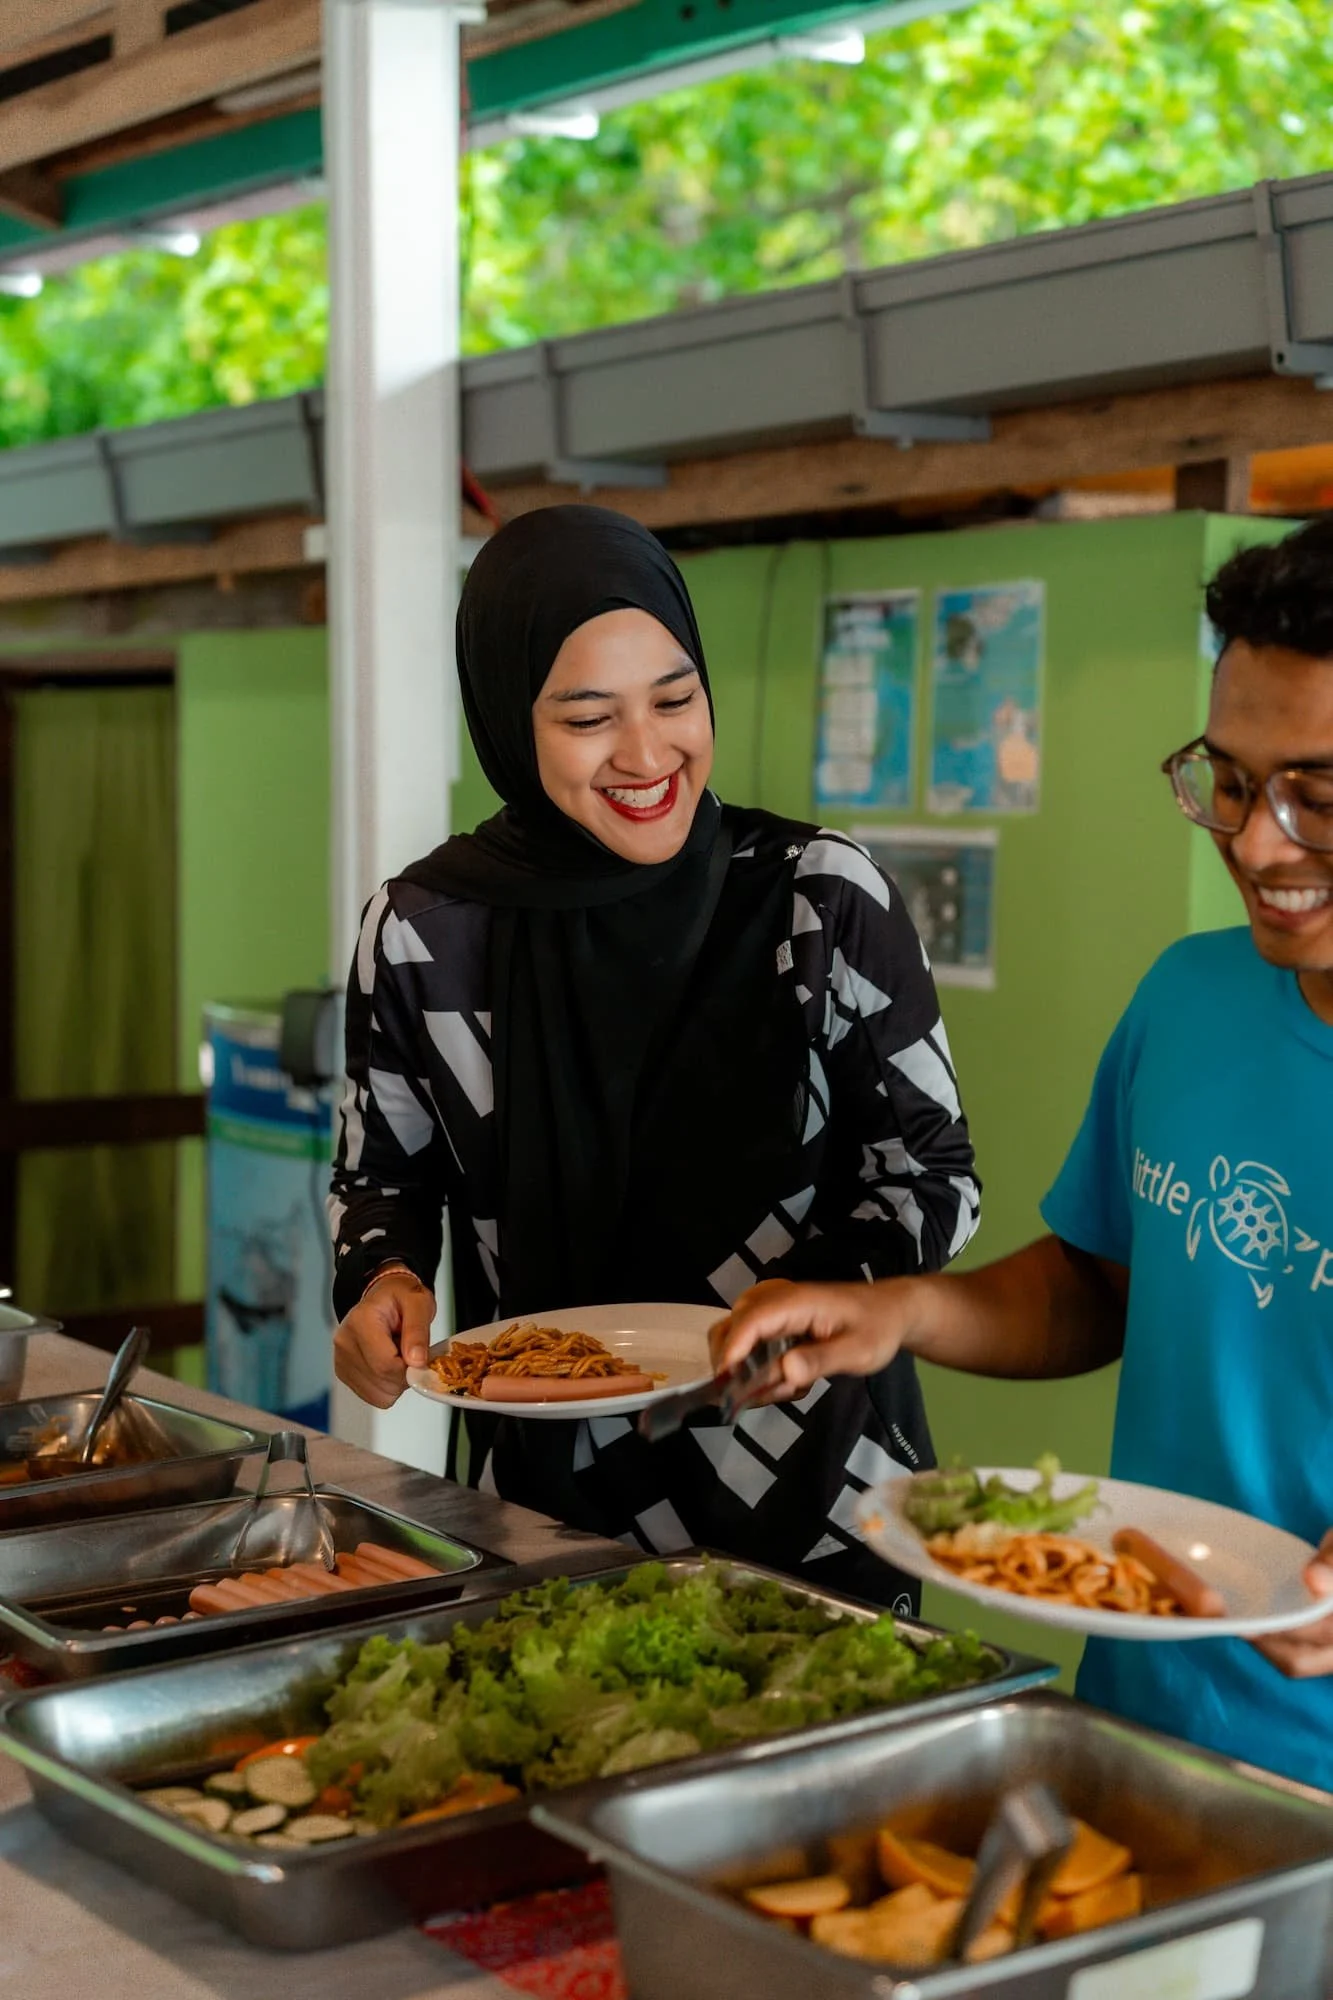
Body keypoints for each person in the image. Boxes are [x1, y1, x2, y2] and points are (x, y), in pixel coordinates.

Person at [712, 515, 1333, 1785]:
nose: (1257, 844)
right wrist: (898, 1312)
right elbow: (1103, 1282)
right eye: (1228, 780)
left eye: (1315, 797)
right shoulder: (1189, 997)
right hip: (1138, 1716)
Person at [328, 504, 980, 1605]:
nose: (647, 753)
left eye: (675, 699)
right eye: (588, 717)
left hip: (815, 1495)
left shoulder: (816, 900)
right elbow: (382, 1174)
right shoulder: (426, 933)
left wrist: (819, 1300)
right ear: (506, 720)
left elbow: (933, 1176)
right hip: (541, 1510)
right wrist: (379, 1277)